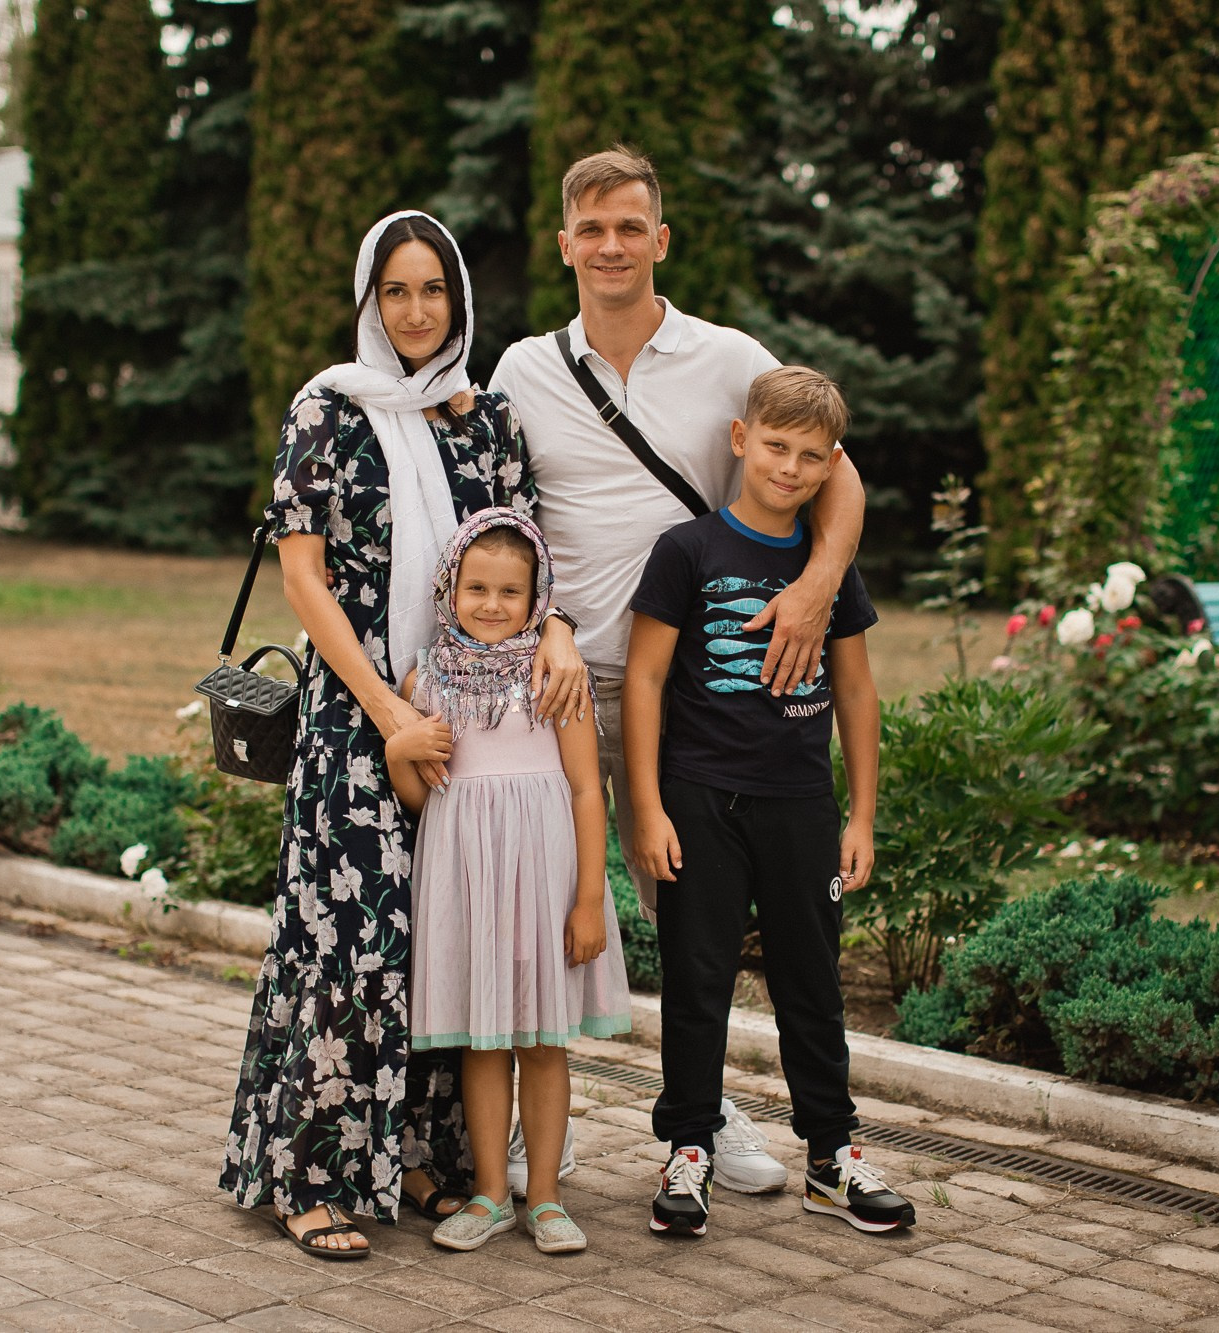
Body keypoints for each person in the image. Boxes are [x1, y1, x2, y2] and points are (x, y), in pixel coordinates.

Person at [491, 144, 867, 1194]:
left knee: (690, 921)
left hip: (690, 693)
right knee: (541, 902)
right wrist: (548, 622)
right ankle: (531, 1121)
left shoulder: (725, 357)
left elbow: (834, 471)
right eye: (591, 228)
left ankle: (706, 1118)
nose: (610, 245)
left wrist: (816, 584)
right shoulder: (520, 370)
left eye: (630, 227)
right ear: (564, 243)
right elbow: (501, 521)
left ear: (660, 239)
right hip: (551, 688)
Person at [219, 211, 588, 1260]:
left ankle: (421, 1158)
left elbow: (533, 562)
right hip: (358, 718)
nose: (416, 311)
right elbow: (303, 574)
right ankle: (313, 1173)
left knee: (443, 941)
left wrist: (556, 631)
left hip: (473, 717)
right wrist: (388, 713)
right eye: (396, 292)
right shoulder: (327, 410)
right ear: (369, 302)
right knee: (346, 944)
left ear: (459, 303)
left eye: (434, 291)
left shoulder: (489, 423)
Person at [623, 366, 914, 1238]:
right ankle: (688, 1150)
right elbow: (642, 679)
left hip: (800, 804)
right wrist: (647, 807)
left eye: (809, 456)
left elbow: (857, 693)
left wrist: (860, 814)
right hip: (700, 796)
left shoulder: (829, 572)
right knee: (697, 980)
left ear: (832, 466)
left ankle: (833, 1156)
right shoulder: (690, 551)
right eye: (775, 446)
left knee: (811, 983)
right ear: (743, 441)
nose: (789, 467)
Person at [386, 508, 631, 1255]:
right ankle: (491, 1192)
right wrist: (402, 752)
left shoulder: (555, 675)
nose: (492, 605)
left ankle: (547, 1197)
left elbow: (589, 791)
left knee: (544, 1041)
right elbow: (426, 799)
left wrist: (590, 896)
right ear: (449, 587)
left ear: (538, 599)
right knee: (484, 1041)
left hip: (545, 879)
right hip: (468, 880)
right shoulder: (425, 679)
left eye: (511, 592)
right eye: (477, 587)